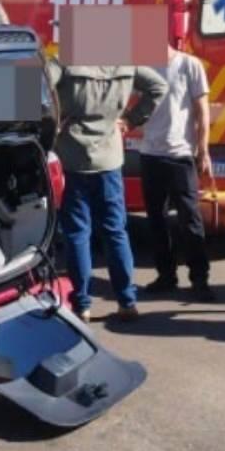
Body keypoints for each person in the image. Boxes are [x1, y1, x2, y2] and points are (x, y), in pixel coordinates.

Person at [46, 61, 167, 322]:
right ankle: (127, 301)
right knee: (115, 231)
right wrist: (131, 120)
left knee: (77, 233)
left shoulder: (65, 61)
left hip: (72, 158)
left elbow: (34, 88)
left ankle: (82, 305)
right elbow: (159, 86)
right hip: (110, 159)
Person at [140, 43, 215, 302]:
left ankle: (200, 278)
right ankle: (166, 275)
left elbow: (202, 110)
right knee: (156, 220)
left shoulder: (188, 65)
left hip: (180, 155)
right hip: (150, 154)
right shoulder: (142, 65)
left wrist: (203, 150)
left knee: (190, 219)